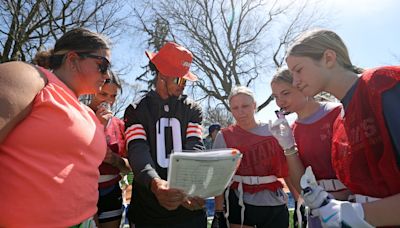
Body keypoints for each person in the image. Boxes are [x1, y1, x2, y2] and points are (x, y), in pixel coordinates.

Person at [279, 28, 400, 227]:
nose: (295, 81)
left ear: (328, 58)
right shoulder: (340, 121)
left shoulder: (380, 85)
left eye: (298, 70)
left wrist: (357, 214)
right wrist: (326, 202)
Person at [0, 28, 111, 227]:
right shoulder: (28, 76)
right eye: (102, 65)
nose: (107, 75)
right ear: (72, 60)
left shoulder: (87, 113)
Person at [123, 42, 207, 227]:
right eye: (180, 80)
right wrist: (156, 184)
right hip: (149, 213)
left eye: (186, 81)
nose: (184, 86)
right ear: (162, 75)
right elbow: (137, 150)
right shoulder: (136, 109)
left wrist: (190, 187)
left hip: (189, 213)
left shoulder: (192, 109)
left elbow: (194, 147)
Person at [270, 69, 351, 227]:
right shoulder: (290, 131)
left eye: (285, 93)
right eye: (275, 97)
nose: (280, 102)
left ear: (302, 86)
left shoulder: (337, 112)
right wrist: (289, 148)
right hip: (318, 212)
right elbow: (301, 186)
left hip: (351, 206)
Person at [212, 86, 289, 228]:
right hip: (240, 203)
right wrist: (218, 212)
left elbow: (287, 168)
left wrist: (299, 202)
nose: (241, 112)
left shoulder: (273, 131)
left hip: (274, 202)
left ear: (254, 105)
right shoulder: (224, 136)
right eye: (235, 108)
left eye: (245, 106)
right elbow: (219, 177)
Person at [88, 72, 131, 228]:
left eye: (113, 96)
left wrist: (114, 159)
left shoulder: (119, 125)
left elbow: (129, 167)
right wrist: (97, 126)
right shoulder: (79, 115)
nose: (108, 100)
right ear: (93, 91)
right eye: (103, 94)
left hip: (111, 191)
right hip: (82, 192)